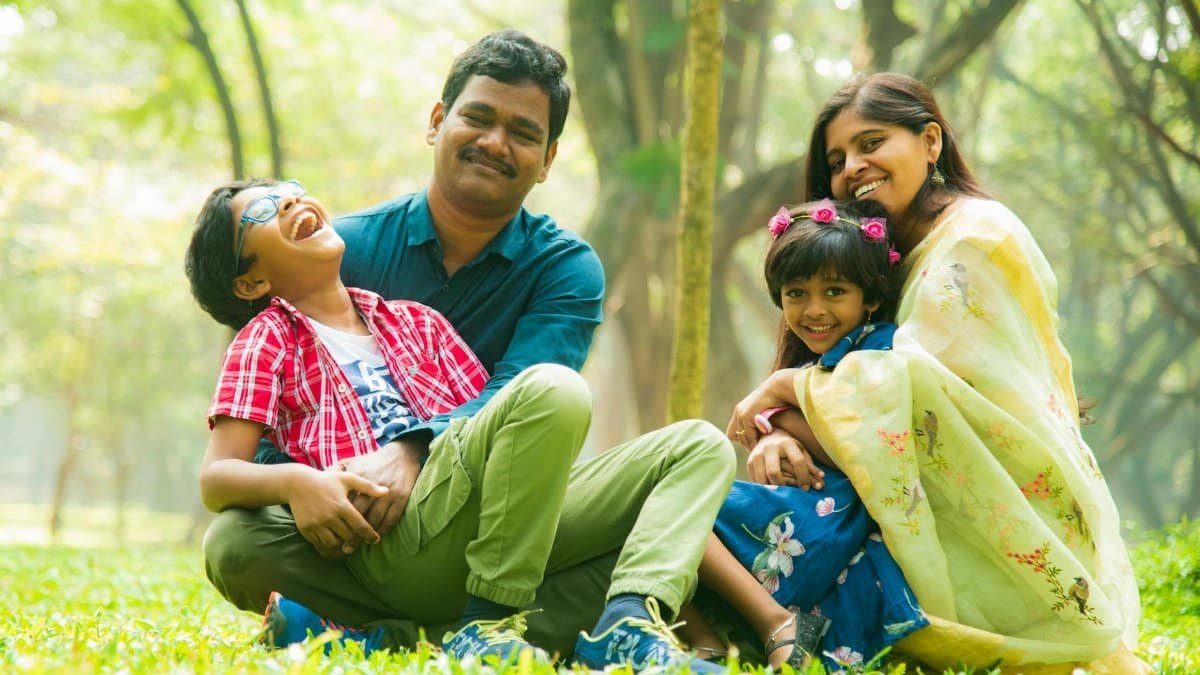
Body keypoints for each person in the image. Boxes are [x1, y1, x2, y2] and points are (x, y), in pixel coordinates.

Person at [196, 30, 736, 671]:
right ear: (437, 122)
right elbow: (248, 448)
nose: (496, 143)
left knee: (698, 444)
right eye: (478, 117)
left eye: (523, 132)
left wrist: (413, 447)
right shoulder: (343, 253)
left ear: (548, 158)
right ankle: (483, 625)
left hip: (494, 509)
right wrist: (311, 486)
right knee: (234, 541)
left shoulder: (517, 285)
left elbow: (514, 403)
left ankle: (620, 621)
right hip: (365, 531)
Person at [726, 72, 1147, 673]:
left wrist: (782, 393)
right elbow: (860, 390)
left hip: (1006, 502)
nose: (853, 167)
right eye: (837, 160)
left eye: (871, 143)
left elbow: (921, 404)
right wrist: (777, 433)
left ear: (930, 141)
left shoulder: (974, 240)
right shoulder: (879, 254)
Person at [676, 200, 926, 671]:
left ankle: (768, 629)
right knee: (663, 507)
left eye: (835, 291)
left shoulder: (879, 353)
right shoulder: (820, 363)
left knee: (676, 508)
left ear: (870, 297)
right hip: (812, 511)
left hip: (831, 518)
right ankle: (707, 645)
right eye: (796, 293)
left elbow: (863, 446)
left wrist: (781, 419)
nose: (814, 310)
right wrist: (775, 429)